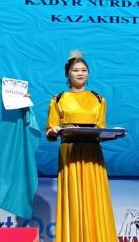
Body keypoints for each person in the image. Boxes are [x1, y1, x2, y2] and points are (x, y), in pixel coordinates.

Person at [46, 52, 117, 242]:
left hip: (92, 152)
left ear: (88, 73)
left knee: (95, 197)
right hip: (70, 152)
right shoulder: (58, 99)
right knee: (73, 197)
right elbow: (50, 131)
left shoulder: (99, 99)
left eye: (84, 70)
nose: (80, 73)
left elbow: (101, 128)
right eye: (75, 70)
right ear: (67, 74)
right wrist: (54, 131)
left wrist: (109, 135)